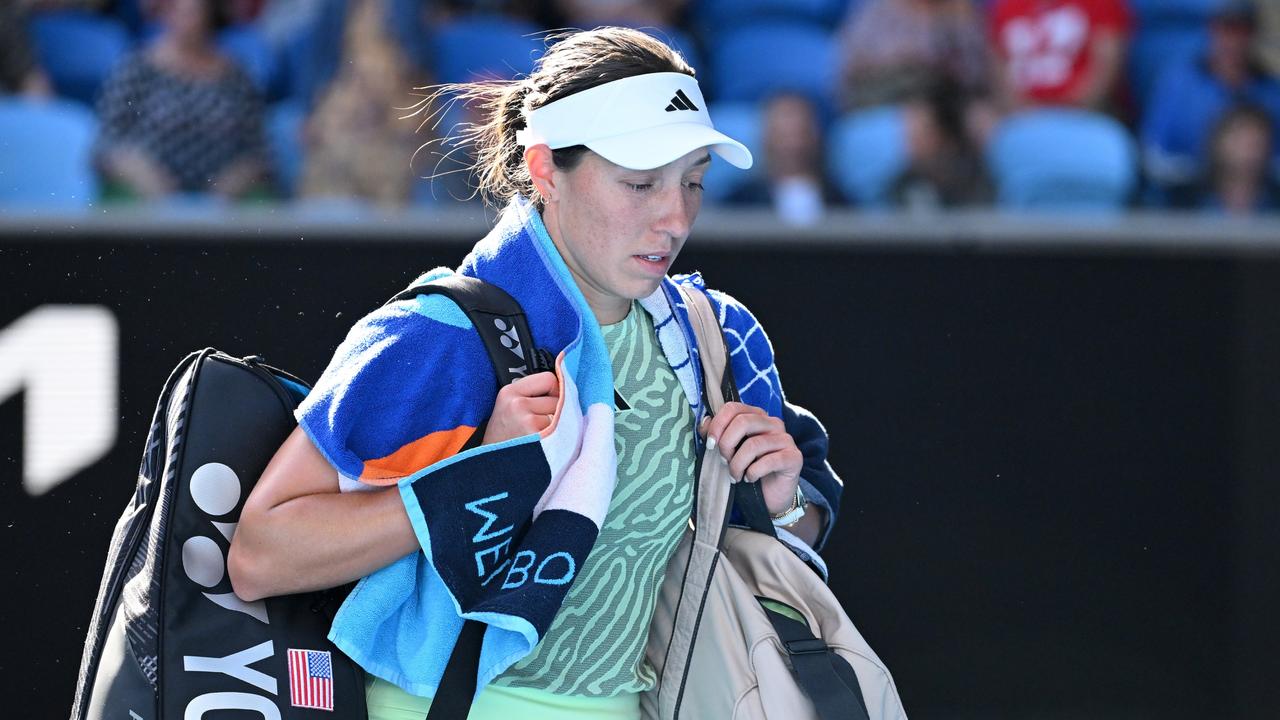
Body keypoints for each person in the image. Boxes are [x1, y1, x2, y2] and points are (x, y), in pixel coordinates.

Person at [227, 26, 842, 720]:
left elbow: (788, 533)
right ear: (547, 168)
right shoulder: (445, 334)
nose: (674, 218)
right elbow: (261, 554)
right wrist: (477, 476)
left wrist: (782, 501)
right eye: (640, 183)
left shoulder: (719, 336)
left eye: (693, 182)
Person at [94, 0, 268, 201]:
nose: (179, 11)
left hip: (225, 200)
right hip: (144, 191)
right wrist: (139, 173)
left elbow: (259, 152)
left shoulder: (238, 76)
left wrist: (234, 181)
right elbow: (105, 145)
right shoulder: (136, 68)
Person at [1141, 0, 1280, 207]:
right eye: (1226, 30)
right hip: (1187, 199)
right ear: (1211, 31)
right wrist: (1207, 172)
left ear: (1253, 35)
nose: (1233, 41)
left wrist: (1247, 167)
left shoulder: (1271, 90)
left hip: (1261, 201)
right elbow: (1152, 156)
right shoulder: (1178, 83)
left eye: (1242, 31)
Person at [988, 0, 1133, 113]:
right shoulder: (1006, 7)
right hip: (1022, 118)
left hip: (1085, 115)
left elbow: (1106, 66)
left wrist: (1073, 109)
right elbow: (999, 72)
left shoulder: (1098, 3)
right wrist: (1026, 112)